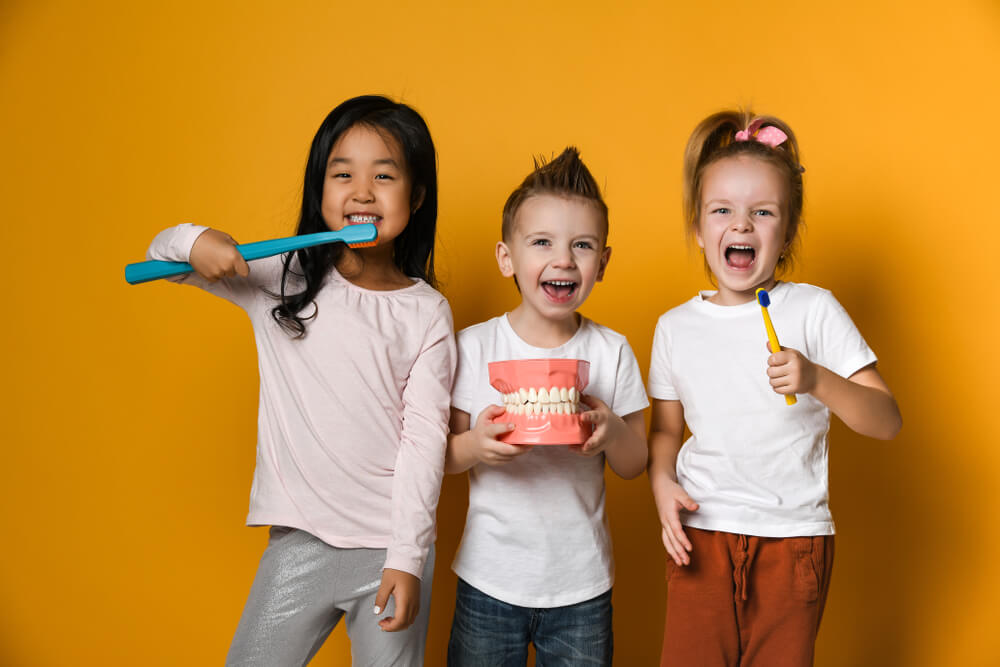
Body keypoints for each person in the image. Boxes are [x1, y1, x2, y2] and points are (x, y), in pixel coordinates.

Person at [143, 95, 456, 666]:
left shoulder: (427, 313)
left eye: (383, 175)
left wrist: (407, 559)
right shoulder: (277, 280)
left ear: (415, 197)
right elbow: (159, 254)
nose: (362, 191)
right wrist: (198, 240)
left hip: (391, 549)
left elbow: (424, 443)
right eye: (343, 174)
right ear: (320, 190)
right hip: (300, 544)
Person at [648, 110, 903, 666]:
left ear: (786, 232)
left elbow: (887, 419)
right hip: (700, 535)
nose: (740, 226)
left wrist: (817, 378)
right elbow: (665, 430)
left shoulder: (813, 310)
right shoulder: (674, 328)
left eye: (761, 213)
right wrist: (662, 483)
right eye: (722, 211)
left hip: (792, 542)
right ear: (698, 226)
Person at [444, 148, 649, 666]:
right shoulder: (472, 348)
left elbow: (635, 463)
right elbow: (440, 456)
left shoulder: (612, 351)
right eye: (542, 243)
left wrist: (611, 433)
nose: (563, 260)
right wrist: (476, 445)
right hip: (488, 580)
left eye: (582, 245)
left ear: (602, 263)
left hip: (582, 587)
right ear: (506, 257)